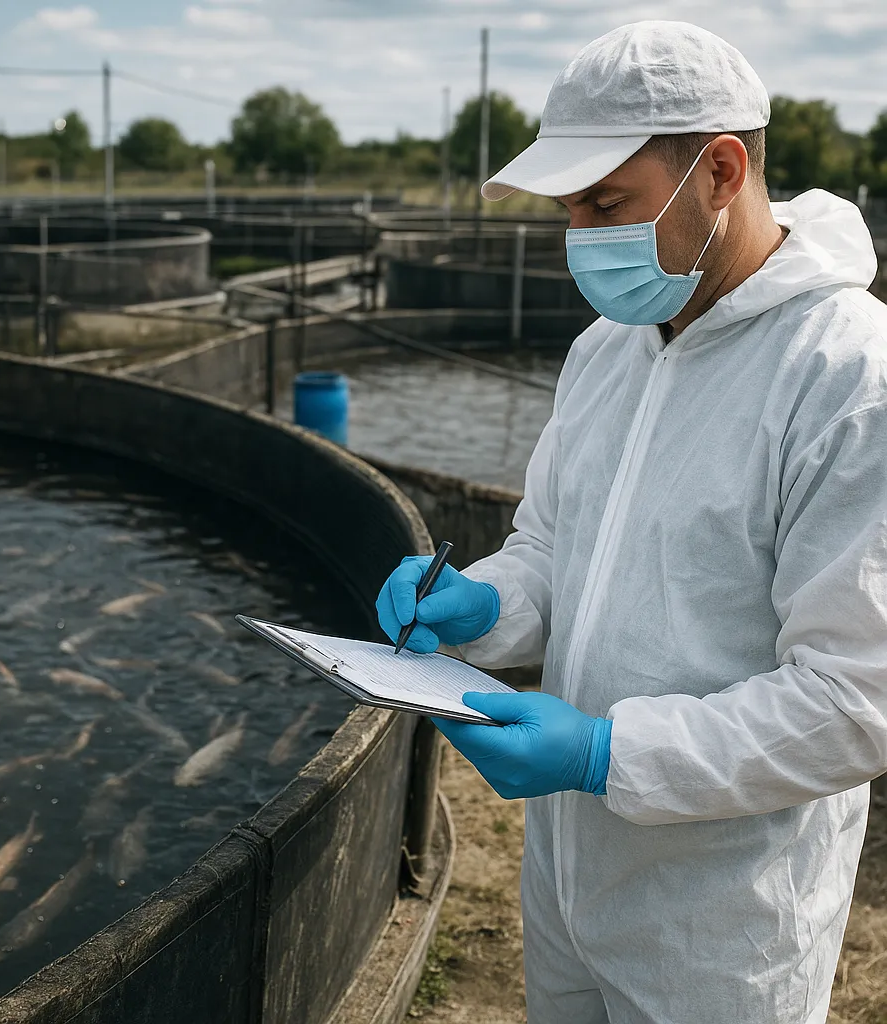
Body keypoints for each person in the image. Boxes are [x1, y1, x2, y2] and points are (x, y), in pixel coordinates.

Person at [375, 20, 887, 1024]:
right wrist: (481, 604)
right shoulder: (607, 349)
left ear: (721, 170)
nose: (583, 237)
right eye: (569, 209)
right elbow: (553, 551)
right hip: (571, 872)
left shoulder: (845, 377)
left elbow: (852, 702)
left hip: (721, 917)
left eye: (608, 203)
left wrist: (606, 752)